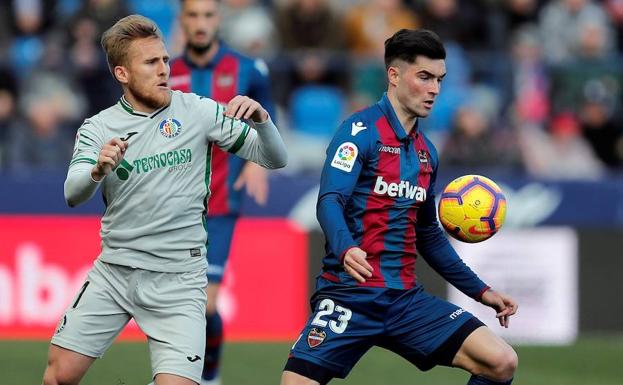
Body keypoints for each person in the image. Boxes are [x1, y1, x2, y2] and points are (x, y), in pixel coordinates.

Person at [42, 14, 287, 385]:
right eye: (151, 62)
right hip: (116, 273)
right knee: (58, 377)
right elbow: (72, 192)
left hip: (179, 281)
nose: (164, 70)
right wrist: (97, 169)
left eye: (165, 60)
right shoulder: (98, 128)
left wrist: (263, 120)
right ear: (122, 74)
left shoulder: (198, 111)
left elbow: (275, 158)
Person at [280, 29, 518, 385]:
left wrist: (482, 291)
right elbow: (330, 200)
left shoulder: (426, 153)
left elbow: (428, 235)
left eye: (439, 79)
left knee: (501, 361)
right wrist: (346, 249)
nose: (435, 89)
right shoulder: (358, 131)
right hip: (350, 296)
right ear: (394, 75)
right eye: (424, 77)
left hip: (405, 301)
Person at [170, 1, 277, 383]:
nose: (201, 23)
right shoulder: (166, 71)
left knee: (205, 303)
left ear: (219, 20)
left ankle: (208, 376)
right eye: (193, 16)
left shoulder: (248, 69)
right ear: (181, 21)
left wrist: (255, 161)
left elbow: (268, 115)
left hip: (219, 202)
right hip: (172, 208)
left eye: (208, 15)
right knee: (175, 306)